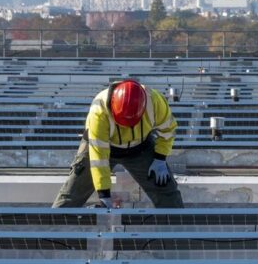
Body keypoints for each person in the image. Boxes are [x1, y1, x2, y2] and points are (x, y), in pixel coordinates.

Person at [52, 79, 184, 208]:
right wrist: (104, 195)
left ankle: (177, 226)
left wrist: (160, 158)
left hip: (140, 148)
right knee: (71, 196)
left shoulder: (155, 101)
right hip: (102, 147)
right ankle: (54, 224)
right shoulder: (99, 111)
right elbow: (99, 159)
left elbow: (168, 130)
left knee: (168, 194)